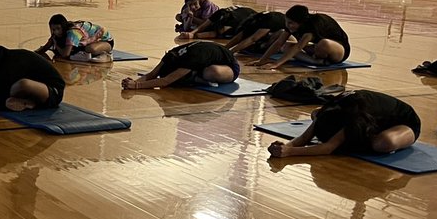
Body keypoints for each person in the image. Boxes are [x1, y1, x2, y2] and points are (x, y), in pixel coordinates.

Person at [266, 91, 420, 158]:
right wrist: (286, 146)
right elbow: (304, 138)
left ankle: (368, 134)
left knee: (382, 144)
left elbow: (328, 148)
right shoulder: (327, 112)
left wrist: (290, 153)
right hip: (371, 116)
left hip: (406, 123)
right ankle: (368, 132)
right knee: (315, 113)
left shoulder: (352, 118)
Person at [250, 4, 350, 71]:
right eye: (287, 22)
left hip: (339, 51)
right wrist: (262, 60)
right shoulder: (291, 25)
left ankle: (319, 58)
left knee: (324, 43)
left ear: (300, 23)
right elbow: (279, 42)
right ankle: (316, 61)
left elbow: (298, 47)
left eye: (291, 23)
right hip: (317, 48)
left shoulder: (312, 26)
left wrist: (276, 64)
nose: (288, 25)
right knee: (286, 46)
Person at [122, 41, 239, 90]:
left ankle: (197, 78)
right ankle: (196, 76)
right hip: (206, 59)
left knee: (211, 72)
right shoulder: (171, 55)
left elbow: (166, 81)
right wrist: (133, 82)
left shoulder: (190, 60)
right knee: (199, 72)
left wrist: (137, 86)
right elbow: (152, 74)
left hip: (229, 66)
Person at [35, 14, 114, 61]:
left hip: (106, 41)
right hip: (90, 41)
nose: (55, 32)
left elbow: (65, 54)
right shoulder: (57, 33)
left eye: (58, 29)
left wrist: (56, 44)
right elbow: (45, 47)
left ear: (63, 27)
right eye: (53, 29)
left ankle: (107, 55)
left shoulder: (73, 33)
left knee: (90, 49)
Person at [178, 6, 256, 41]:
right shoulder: (220, 13)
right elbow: (204, 25)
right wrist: (191, 33)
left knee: (221, 32)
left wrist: (194, 35)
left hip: (248, 15)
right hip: (241, 11)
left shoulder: (233, 24)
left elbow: (214, 33)